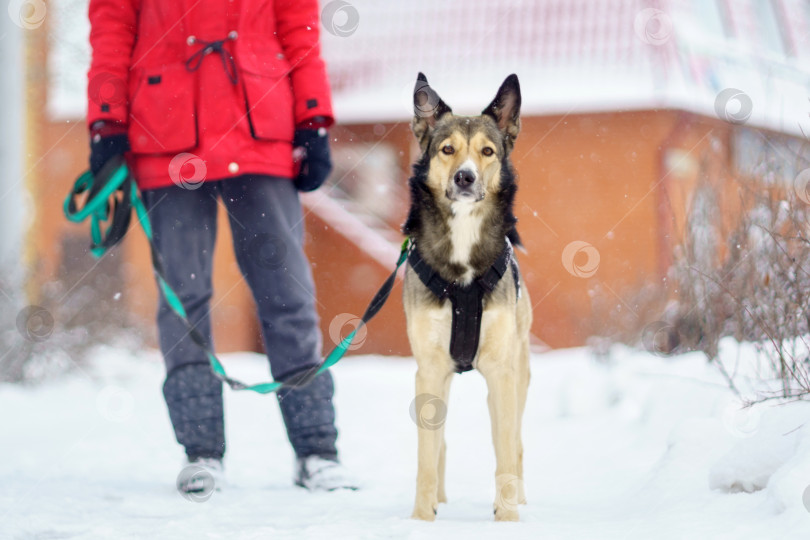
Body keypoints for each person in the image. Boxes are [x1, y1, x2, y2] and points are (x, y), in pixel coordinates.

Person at [86, 0, 357, 492]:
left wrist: (313, 116)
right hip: (166, 132)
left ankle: (317, 451)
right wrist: (107, 120)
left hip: (261, 126)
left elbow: (299, 27)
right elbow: (112, 28)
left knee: (287, 295)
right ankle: (202, 452)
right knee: (183, 301)